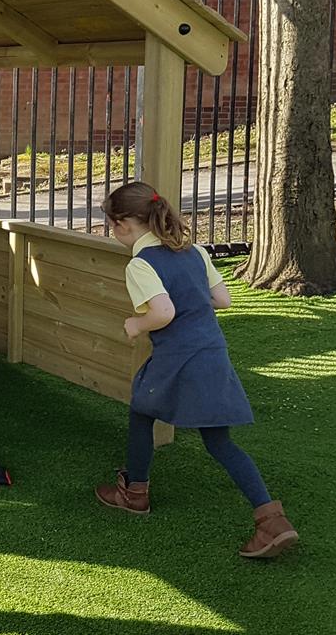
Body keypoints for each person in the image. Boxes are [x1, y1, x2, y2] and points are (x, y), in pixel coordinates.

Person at [97, 180, 299, 559]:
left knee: (142, 409)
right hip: (212, 353)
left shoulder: (140, 265)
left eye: (112, 225)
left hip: (178, 358)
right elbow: (222, 300)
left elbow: (163, 312)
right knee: (216, 440)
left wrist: (135, 325)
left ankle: (134, 493)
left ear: (124, 223)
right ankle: (271, 518)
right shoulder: (193, 252)